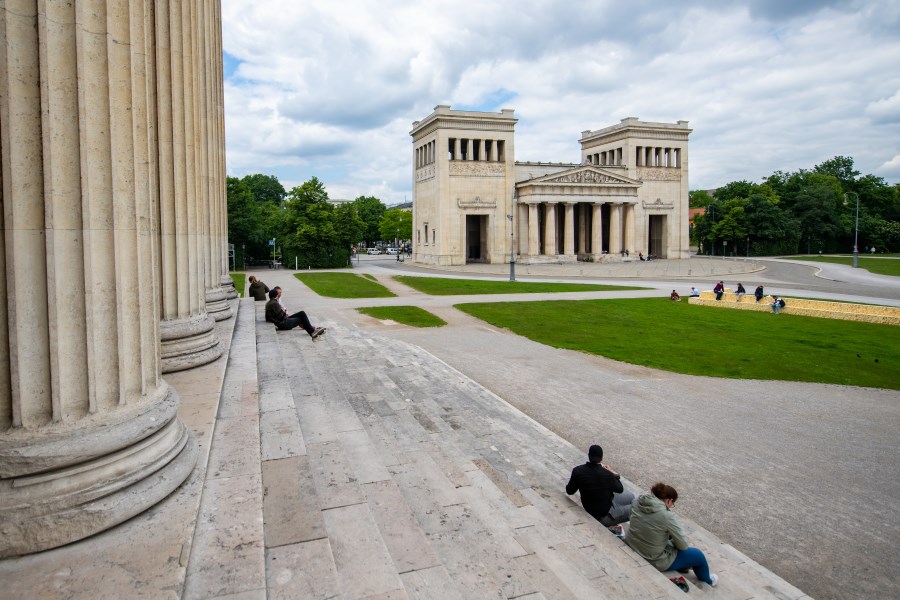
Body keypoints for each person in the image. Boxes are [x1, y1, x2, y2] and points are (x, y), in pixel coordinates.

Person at [625, 483, 718, 588]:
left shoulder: (637, 501)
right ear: (669, 501)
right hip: (653, 558)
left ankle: (683, 566)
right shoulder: (667, 516)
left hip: (632, 542)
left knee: (669, 540)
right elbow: (683, 546)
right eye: (672, 504)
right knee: (697, 555)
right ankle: (709, 581)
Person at [566, 445, 635, 527]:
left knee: (631, 497)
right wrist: (611, 473)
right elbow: (620, 489)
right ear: (601, 458)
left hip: (592, 507)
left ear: (589, 456)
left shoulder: (577, 471)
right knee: (636, 510)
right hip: (604, 516)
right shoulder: (607, 474)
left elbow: (569, 491)